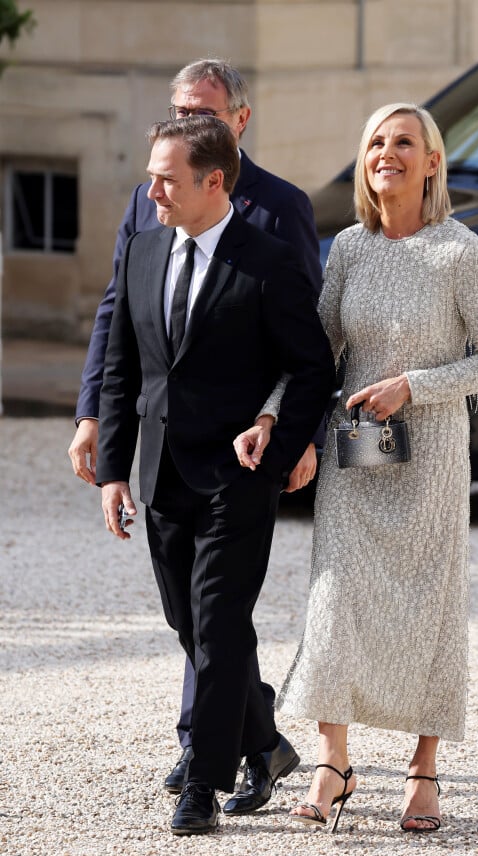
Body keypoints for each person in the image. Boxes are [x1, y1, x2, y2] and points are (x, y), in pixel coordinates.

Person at [235, 102, 478, 833]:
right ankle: (334, 761)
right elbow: (316, 350)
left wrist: (413, 386)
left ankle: (423, 766)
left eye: (403, 142)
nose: (386, 153)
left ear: (431, 163)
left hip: (430, 468)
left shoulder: (462, 252)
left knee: (430, 610)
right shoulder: (352, 249)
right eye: (375, 143)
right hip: (354, 460)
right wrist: (273, 416)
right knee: (336, 605)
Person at [68, 58, 323, 804]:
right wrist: (111, 457)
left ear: (224, 158)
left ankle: (202, 782)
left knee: (217, 621)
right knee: (189, 617)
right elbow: (121, 351)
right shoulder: (148, 236)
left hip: (241, 468)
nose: (152, 193)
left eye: (168, 175)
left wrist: (284, 441)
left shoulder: (275, 233)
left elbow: (307, 357)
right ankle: (263, 739)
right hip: (162, 466)